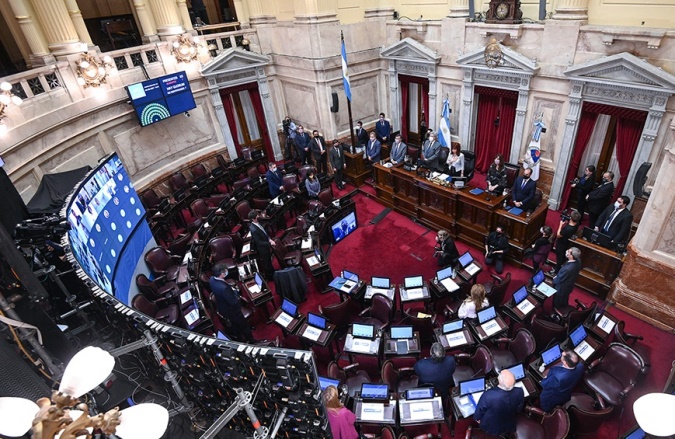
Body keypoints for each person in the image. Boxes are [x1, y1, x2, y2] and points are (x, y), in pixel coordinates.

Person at [209, 264, 254, 343]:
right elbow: (234, 302)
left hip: (221, 306)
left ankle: (238, 335)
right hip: (232, 311)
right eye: (225, 271)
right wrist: (235, 293)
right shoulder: (224, 288)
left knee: (234, 325)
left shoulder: (212, 279)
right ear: (222, 274)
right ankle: (250, 339)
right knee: (243, 325)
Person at [474, 370, 524, 437]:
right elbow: (518, 409)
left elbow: (479, 412)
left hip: (490, 427)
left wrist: (477, 418)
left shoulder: (488, 395)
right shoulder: (520, 391)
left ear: (499, 381)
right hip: (509, 423)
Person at [551, 210, 581, 276]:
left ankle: (556, 271)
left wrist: (560, 225)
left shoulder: (568, 228)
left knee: (559, 258)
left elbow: (558, 235)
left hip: (561, 243)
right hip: (567, 242)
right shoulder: (577, 223)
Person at [249, 210, 275, 279]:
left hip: (266, 243)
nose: (258, 217)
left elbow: (264, 232)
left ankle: (273, 273)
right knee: (267, 263)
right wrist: (269, 243)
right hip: (262, 249)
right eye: (256, 216)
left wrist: (269, 239)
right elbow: (259, 242)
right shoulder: (253, 229)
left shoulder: (257, 223)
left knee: (269, 261)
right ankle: (271, 277)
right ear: (253, 219)